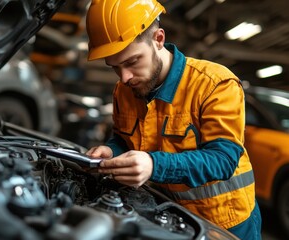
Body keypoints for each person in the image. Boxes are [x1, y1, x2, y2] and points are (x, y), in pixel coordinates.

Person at [84, 0, 262, 239]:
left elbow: (224, 159)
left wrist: (154, 166)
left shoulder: (215, 84)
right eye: (114, 67)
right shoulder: (123, 90)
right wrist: (110, 150)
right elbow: (125, 140)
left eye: (132, 62)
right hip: (166, 214)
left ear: (158, 39)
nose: (124, 77)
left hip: (226, 223)